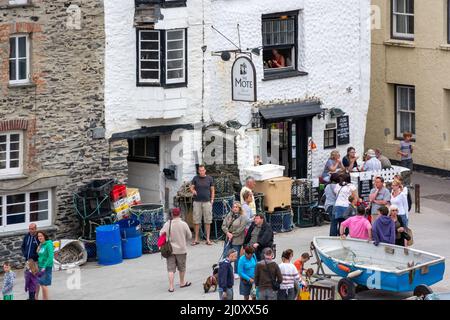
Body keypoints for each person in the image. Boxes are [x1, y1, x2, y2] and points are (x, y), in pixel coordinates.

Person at [160, 208, 193, 292]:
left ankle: (171, 287)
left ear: (172, 215)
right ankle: (182, 283)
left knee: (171, 269)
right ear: (180, 214)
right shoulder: (184, 224)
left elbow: (161, 234)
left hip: (170, 250)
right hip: (181, 250)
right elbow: (189, 236)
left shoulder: (168, 224)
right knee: (182, 268)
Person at [221, 202, 248, 277]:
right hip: (228, 238)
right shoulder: (229, 215)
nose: (235, 208)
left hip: (237, 239)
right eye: (234, 207)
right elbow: (224, 225)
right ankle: (225, 270)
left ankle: (236, 272)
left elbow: (241, 229)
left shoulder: (243, 217)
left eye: (236, 207)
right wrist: (227, 233)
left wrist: (232, 234)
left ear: (239, 208)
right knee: (226, 254)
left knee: (236, 256)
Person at [190, 165, 215, 246]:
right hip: (197, 202)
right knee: (196, 221)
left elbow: (212, 190)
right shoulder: (195, 178)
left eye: (202, 170)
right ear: (198, 171)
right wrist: (193, 190)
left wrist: (212, 199)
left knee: (208, 221)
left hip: (207, 202)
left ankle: (207, 239)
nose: (201, 172)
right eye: (200, 170)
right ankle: (196, 239)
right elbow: (191, 187)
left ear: (205, 171)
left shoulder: (209, 178)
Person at [36, 231, 54, 300]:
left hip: (46, 267)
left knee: (44, 285)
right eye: (38, 236)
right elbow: (38, 253)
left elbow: (50, 257)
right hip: (40, 266)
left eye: (41, 236)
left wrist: (44, 266)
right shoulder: (42, 244)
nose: (39, 237)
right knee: (41, 283)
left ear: (44, 236)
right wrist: (39, 245)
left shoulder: (49, 244)